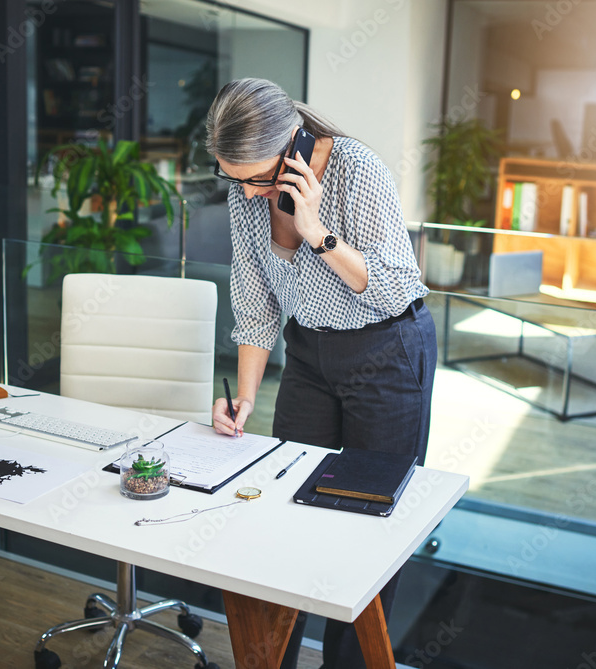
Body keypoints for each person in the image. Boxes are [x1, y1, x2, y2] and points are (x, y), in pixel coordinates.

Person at [206, 78, 437, 669]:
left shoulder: (356, 169)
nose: (249, 193)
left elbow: (394, 288)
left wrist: (316, 232)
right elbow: (255, 297)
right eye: (234, 179)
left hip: (386, 351)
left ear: (293, 142)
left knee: (366, 524)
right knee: (284, 505)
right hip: (308, 352)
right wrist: (247, 398)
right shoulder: (245, 191)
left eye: (256, 178)